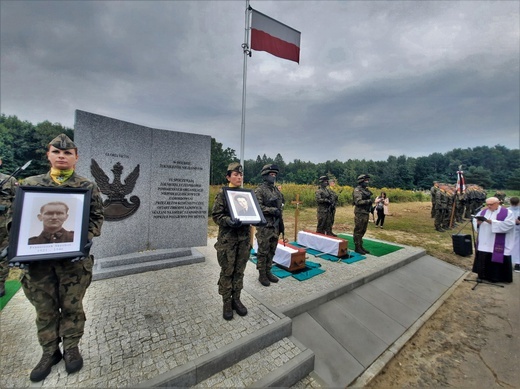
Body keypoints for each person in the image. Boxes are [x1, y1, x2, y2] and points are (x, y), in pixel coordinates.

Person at [19, 134, 104, 382]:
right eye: (57, 152)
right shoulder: (31, 184)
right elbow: (18, 220)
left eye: (67, 153)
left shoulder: (86, 186)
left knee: (72, 306)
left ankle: (71, 348)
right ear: (48, 155)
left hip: (72, 264)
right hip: (38, 264)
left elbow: (97, 217)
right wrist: (17, 248)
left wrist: (86, 237)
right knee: (44, 310)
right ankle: (49, 352)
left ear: (76, 158)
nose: (62, 156)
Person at [211, 163, 252, 320]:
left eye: (240, 175)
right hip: (228, 240)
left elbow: (251, 214)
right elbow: (216, 215)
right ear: (228, 177)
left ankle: (237, 299)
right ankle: (226, 302)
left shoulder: (246, 194)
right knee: (228, 271)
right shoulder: (223, 193)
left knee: (239, 271)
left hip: (243, 240)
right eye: (235, 174)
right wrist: (229, 221)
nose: (239, 177)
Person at [471, 196, 515, 283]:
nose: (489, 206)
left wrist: (491, 222)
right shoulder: (483, 212)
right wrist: (478, 223)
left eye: (491, 204)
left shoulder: (507, 213)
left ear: (498, 203)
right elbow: (475, 223)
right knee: (483, 257)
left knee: (496, 258)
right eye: (487, 204)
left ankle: (496, 278)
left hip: (498, 241)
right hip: (484, 239)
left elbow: (509, 225)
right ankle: (482, 275)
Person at [255, 164, 284, 287]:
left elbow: (282, 202)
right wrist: (272, 210)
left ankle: (268, 271)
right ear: (265, 175)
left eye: (275, 174)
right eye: (272, 174)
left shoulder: (276, 189)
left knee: (272, 249)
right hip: (265, 226)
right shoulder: (259, 190)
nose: (274, 176)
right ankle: (262, 274)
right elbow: (258, 206)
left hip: (275, 225)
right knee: (263, 250)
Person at [0, 158, 18, 297]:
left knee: (2, 256)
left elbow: (18, 201)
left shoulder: (10, 180)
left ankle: (0, 284)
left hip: (4, 226)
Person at [353, 174, 373, 254]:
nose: (367, 182)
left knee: (363, 230)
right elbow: (358, 202)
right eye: (365, 180)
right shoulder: (357, 190)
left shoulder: (366, 190)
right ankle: (357, 247)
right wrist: (368, 201)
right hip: (360, 213)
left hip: (365, 212)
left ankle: (360, 246)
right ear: (361, 181)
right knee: (358, 230)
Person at [508, 197, 520, 272]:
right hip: (511, 231)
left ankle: (516, 263)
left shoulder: (507, 210)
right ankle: (517, 264)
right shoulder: (507, 210)